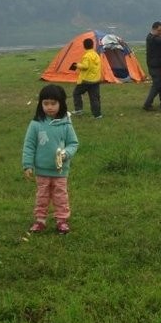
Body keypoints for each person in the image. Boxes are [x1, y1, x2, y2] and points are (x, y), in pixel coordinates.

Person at [22, 84, 79, 235]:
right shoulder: (35, 124)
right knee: (42, 195)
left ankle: (61, 220)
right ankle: (40, 220)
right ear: (40, 104)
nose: (49, 107)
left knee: (60, 195)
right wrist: (27, 165)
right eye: (46, 103)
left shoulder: (66, 124)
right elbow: (29, 146)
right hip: (42, 170)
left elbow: (74, 143)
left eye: (53, 103)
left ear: (61, 104)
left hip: (60, 171)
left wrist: (66, 153)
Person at [71, 38, 102, 119]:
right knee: (94, 98)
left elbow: (85, 66)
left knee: (76, 93)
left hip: (86, 80)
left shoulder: (87, 55)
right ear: (93, 45)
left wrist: (77, 65)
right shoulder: (96, 55)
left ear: (84, 46)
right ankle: (97, 115)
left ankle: (78, 109)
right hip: (96, 80)